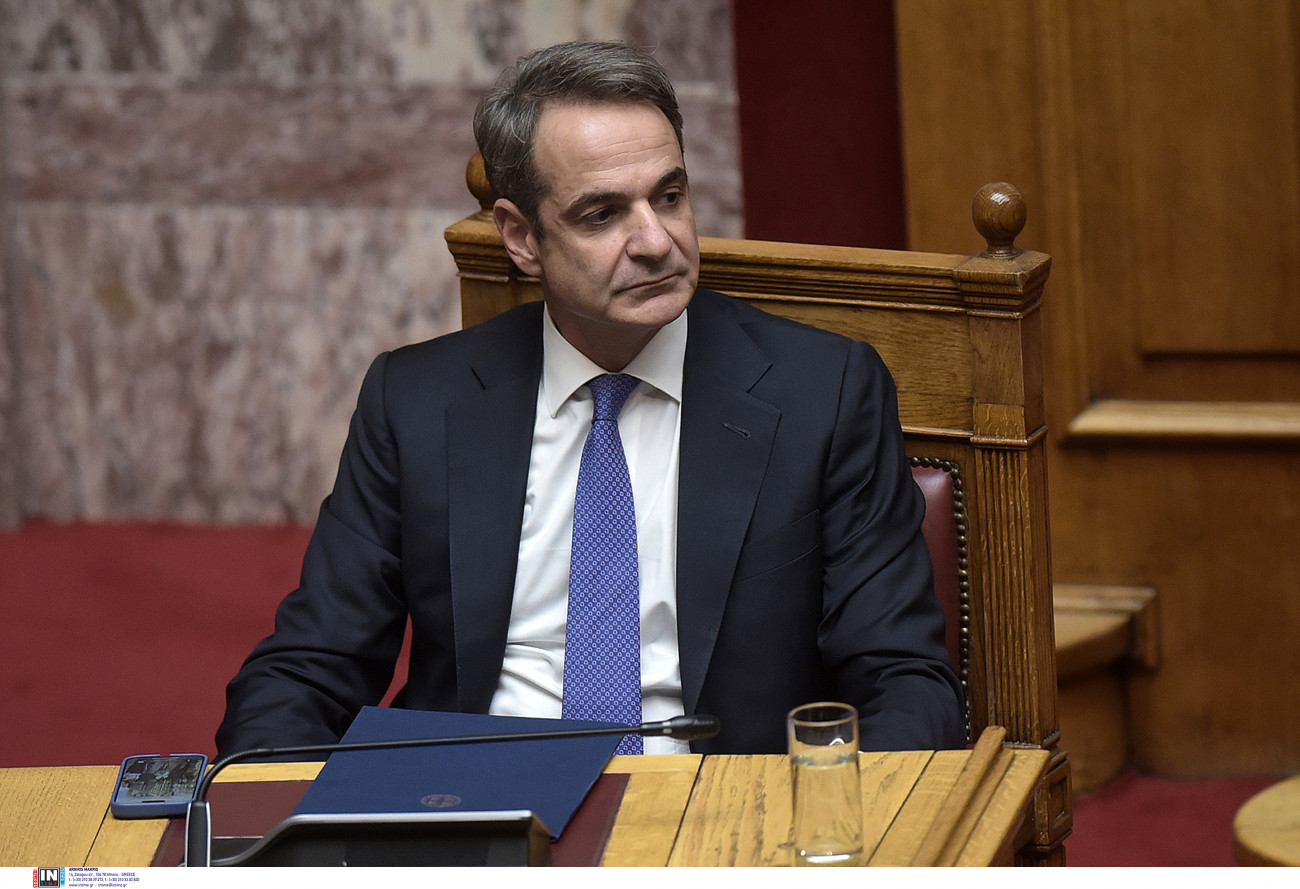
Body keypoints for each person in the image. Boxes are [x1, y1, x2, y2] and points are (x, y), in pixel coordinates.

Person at [216, 40, 964, 758]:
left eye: (669, 196)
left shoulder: (823, 392)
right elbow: (308, 670)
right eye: (603, 214)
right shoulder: (416, 401)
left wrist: (815, 816)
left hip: (717, 806)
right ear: (521, 237)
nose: (656, 241)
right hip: (475, 803)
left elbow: (905, 682)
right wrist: (264, 812)